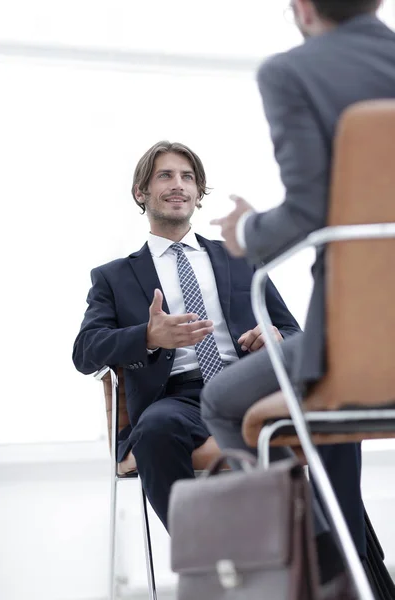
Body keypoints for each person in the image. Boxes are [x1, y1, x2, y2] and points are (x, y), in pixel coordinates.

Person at [201, 0, 395, 590]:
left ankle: (322, 568)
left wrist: (245, 231)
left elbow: (308, 213)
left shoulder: (292, 71)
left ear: (302, 8)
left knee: (223, 402)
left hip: (363, 353)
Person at [72, 140, 301, 530]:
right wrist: (147, 335)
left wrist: (275, 336)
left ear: (198, 194)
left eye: (187, 177)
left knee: (325, 417)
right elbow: (85, 352)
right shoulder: (113, 277)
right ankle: (206, 556)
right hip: (178, 399)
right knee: (157, 430)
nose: (178, 184)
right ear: (140, 192)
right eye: (165, 175)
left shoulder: (240, 259)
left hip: (249, 389)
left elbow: (296, 334)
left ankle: (339, 561)